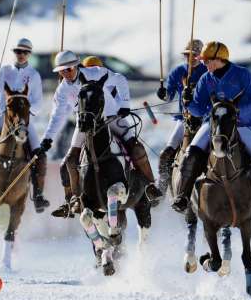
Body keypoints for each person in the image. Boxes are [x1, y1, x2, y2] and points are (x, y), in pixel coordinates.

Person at [40, 51, 162, 217]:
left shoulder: (96, 73)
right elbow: (57, 116)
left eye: (68, 69)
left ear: (76, 66)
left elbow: (120, 79)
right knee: (68, 161)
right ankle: (74, 200)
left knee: (136, 147)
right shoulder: (63, 89)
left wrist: (125, 104)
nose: (65, 73)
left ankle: (150, 186)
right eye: (61, 71)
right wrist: (48, 138)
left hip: (110, 117)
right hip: (84, 124)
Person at [171, 41, 251, 216]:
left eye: (207, 61)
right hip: (212, 125)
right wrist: (188, 102)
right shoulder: (206, 78)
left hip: (241, 124)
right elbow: (197, 108)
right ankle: (183, 196)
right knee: (191, 154)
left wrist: (235, 111)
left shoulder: (243, 75)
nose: (204, 64)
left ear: (219, 59)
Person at [0, 38, 49, 212]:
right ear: (14, 53)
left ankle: (38, 195)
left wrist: (26, 112)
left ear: (29, 54)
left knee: (39, 155)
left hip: (23, 121)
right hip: (2, 118)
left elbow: (38, 104)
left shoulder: (34, 75)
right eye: (18, 51)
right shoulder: (3, 70)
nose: (21, 55)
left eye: (25, 52)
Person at [155, 39, 208, 195]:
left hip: (205, 120)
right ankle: (162, 186)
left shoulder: (208, 72)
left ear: (201, 56)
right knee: (167, 152)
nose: (190, 58)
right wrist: (164, 94)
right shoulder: (177, 72)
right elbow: (169, 96)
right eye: (187, 55)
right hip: (184, 120)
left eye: (194, 55)